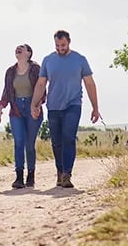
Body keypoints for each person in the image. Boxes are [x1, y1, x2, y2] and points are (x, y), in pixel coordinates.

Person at [30, 30, 101, 188]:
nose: (60, 48)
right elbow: (41, 84)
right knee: (56, 142)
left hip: (73, 104)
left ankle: (67, 173)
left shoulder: (80, 60)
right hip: (53, 106)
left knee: (68, 138)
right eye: (57, 45)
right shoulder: (48, 60)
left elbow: (90, 84)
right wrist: (34, 104)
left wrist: (95, 108)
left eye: (63, 45)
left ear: (69, 42)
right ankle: (60, 171)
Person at [0, 44, 45, 189]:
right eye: (17, 47)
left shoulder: (36, 69)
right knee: (18, 142)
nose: (18, 48)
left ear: (29, 53)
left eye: (22, 48)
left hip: (32, 107)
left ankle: (31, 175)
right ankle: (18, 177)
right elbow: (7, 91)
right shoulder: (10, 71)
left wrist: (37, 105)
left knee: (29, 144)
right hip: (16, 109)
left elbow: (42, 88)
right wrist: (0, 108)